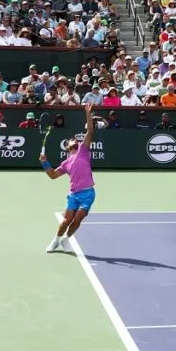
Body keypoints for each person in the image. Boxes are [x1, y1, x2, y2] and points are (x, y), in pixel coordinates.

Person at [43, 104, 97, 254]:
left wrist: (88, 113)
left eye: (75, 139)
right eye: (71, 140)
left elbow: (90, 131)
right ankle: (55, 241)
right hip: (74, 195)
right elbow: (52, 175)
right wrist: (44, 162)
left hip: (88, 193)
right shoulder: (65, 163)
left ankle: (67, 239)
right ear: (67, 147)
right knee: (66, 220)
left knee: (77, 219)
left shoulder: (83, 150)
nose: (74, 140)